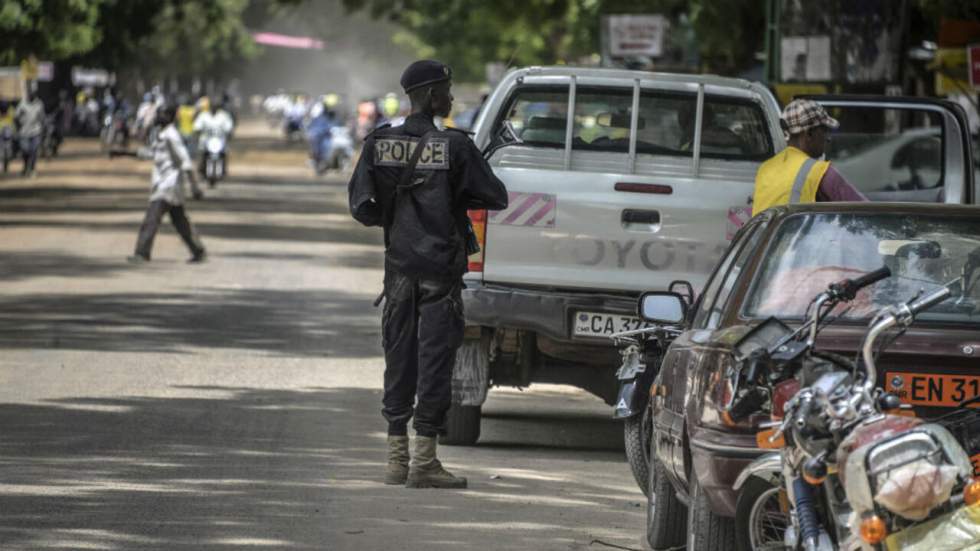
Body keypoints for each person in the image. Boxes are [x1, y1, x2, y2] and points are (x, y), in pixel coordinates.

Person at [348, 60, 508, 489]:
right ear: (432, 95)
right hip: (440, 274)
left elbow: (362, 208)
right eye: (448, 90)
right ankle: (425, 463)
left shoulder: (379, 141)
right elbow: (496, 196)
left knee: (398, 362)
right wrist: (456, 192)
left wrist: (397, 215)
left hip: (399, 272)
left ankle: (395, 461)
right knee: (435, 365)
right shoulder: (456, 147)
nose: (452, 98)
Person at [752, 99, 867, 215]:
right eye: (824, 131)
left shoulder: (765, 168)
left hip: (767, 233)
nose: (828, 138)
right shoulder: (819, 172)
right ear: (809, 133)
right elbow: (866, 211)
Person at [128, 104, 207, 264]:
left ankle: (142, 253)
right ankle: (198, 251)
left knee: (151, 219)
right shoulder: (161, 134)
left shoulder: (172, 135)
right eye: (158, 114)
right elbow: (152, 153)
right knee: (180, 221)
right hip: (165, 185)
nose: (158, 117)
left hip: (168, 186)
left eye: (162, 114)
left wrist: (194, 186)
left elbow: (185, 161)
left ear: (170, 117)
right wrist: (124, 153)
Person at [192, 96, 234, 179]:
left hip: (219, 140)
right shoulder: (203, 115)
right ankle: (201, 167)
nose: (214, 108)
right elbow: (197, 126)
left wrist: (229, 133)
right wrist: (197, 132)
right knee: (202, 154)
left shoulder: (223, 116)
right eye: (212, 106)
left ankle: (224, 168)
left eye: (216, 106)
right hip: (206, 141)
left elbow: (229, 127)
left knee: (224, 153)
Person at [15, 86, 45, 177]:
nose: (31, 95)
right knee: (25, 150)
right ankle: (25, 166)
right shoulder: (22, 103)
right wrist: (18, 127)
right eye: (30, 93)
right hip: (24, 131)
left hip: (36, 131)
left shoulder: (39, 104)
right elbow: (16, 117)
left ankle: (32, 168)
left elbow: (42, 118)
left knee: (34, 151)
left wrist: (42, 129)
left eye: (33, 93)